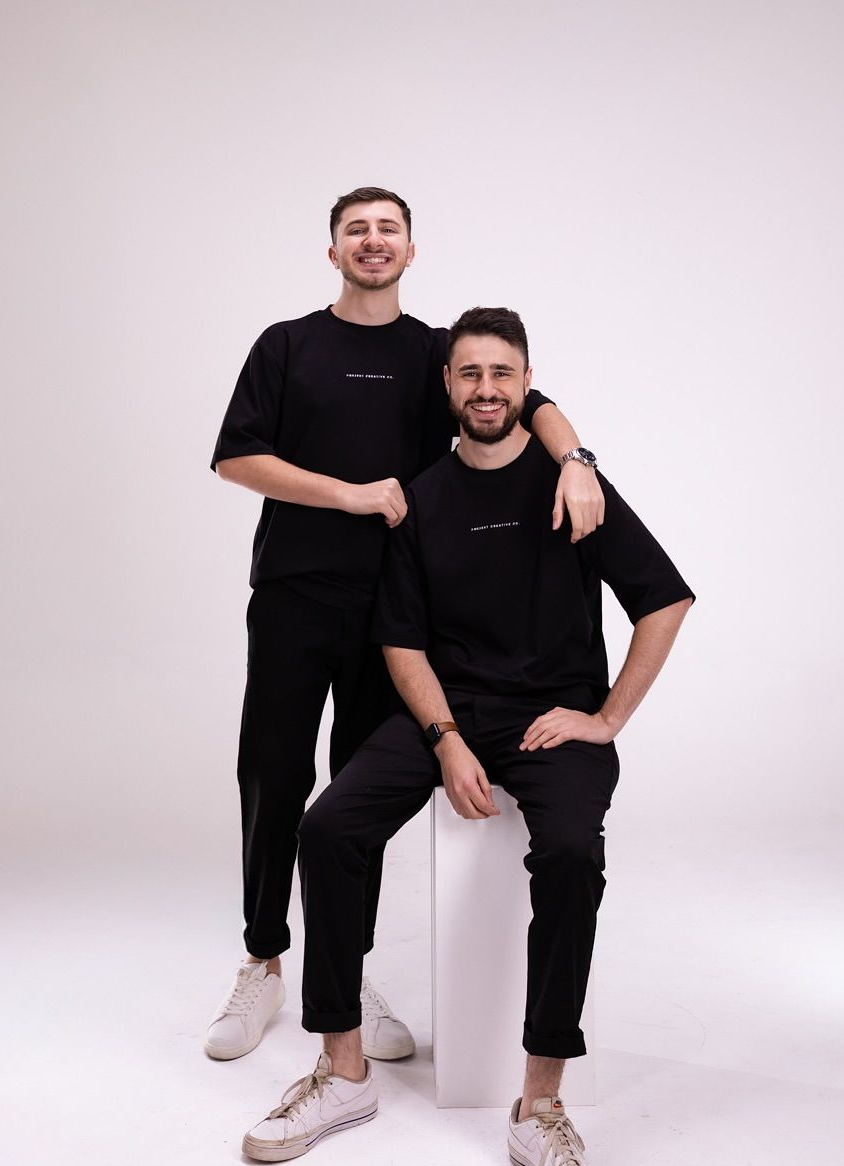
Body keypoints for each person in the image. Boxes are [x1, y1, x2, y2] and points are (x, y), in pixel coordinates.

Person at [241, 307, 694, 1166]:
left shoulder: (575, 490)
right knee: (328, 826)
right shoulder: (420, 496)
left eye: (503, 373)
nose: (485, 389)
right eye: (467, 374)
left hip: (551, 722)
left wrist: (604, 718)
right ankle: (341, 1069)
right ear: (445, 386)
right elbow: (400, 643)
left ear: (527, 383)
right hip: (448, 713)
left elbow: (665, 599)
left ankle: (540, 1104)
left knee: (570, 852)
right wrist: (444, 737)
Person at [206, 190, 604, 1062]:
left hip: (394, 612)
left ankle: (348, 971)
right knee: (274, 774)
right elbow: (236, 456)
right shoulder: (286, 345)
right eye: (357, 229)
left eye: (388, 229)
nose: (373, 241)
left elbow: (531, 401)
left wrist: (577, 460)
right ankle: (263, 957)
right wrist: (349, 494)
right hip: (292, 594)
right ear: (333, 250)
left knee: (354, 788)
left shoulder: (436, 353)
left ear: (412, 250)